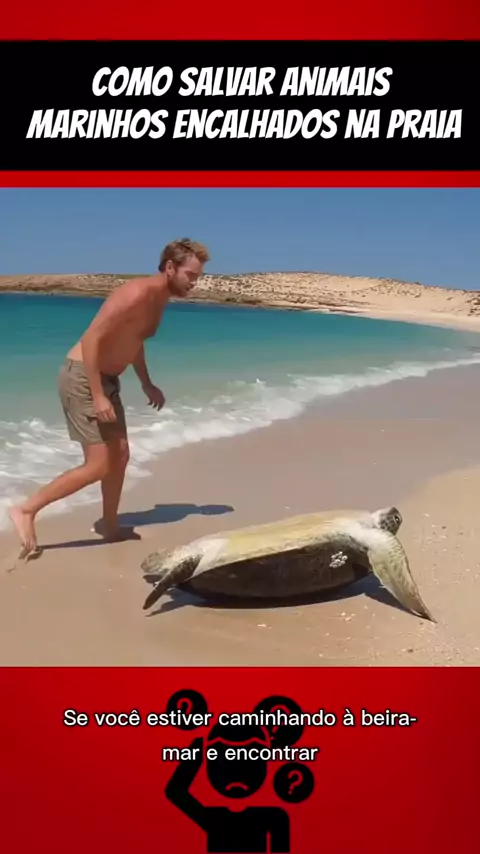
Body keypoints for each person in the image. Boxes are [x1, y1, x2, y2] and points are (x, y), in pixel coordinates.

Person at [9, 237, 210, 556]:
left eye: (197, 277)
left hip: (106, 379)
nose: (194, 283)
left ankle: (110, 525)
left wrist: (146, 383)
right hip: (83, 377)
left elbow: (134, 341)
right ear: (171, 267)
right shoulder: (135, 293)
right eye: (191, 275)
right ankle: (26, 510)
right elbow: (92, 339)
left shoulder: (159, 299)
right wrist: (98, 394)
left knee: (121, 454)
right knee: (99, 464)